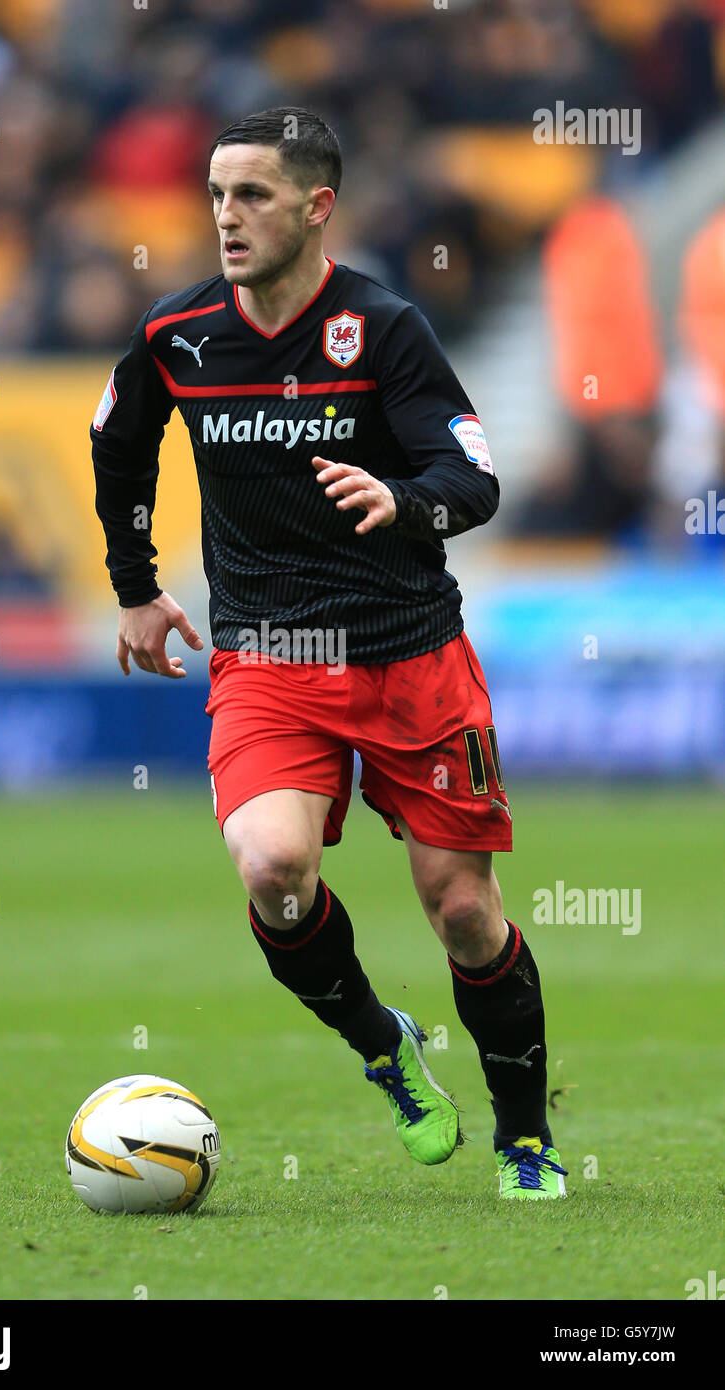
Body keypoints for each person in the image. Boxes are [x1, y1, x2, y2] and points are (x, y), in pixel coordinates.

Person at [91, 107, 567, 1200]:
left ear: (316, 207)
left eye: (250, 194)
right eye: (215, 194)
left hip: (408, 654)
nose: (225, 216)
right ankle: (379, 1042)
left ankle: (524, 1136)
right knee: (272, 869)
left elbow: (473, 483)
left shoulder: (385, 330)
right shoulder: (179, 335)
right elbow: (116, 443)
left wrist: (397, 498)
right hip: (266, 655)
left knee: (460, 908)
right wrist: (133, 586)